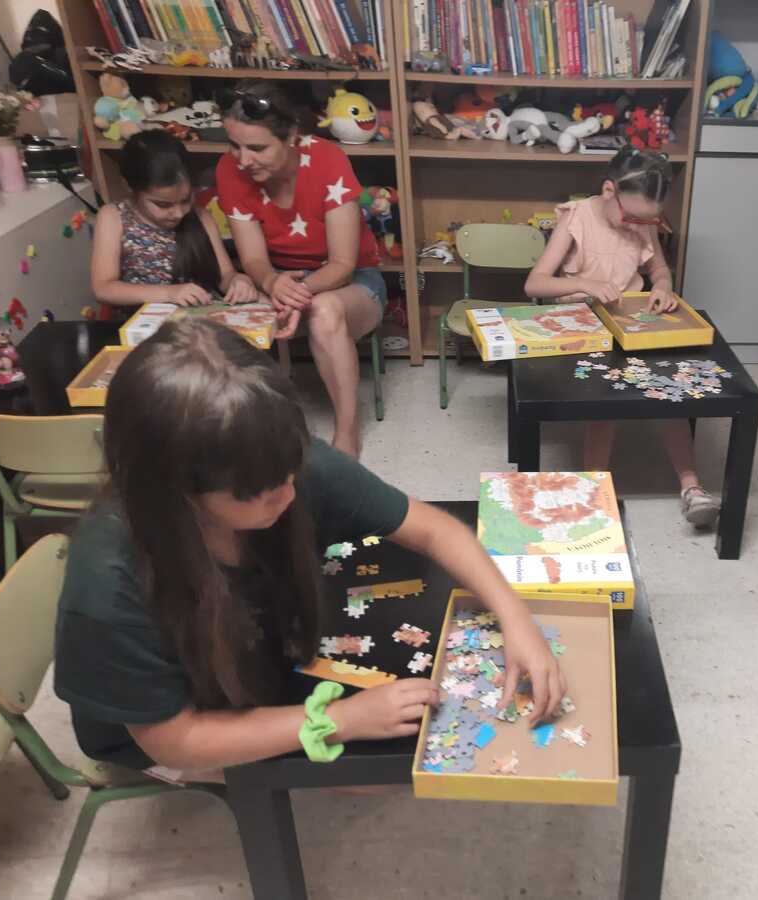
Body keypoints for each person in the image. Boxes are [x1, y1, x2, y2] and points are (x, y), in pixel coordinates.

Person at [54, 318, 565, 781]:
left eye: (290, 473)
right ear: (176, 491)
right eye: (257, 492)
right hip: (167, 729)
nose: (287, 494)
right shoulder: (108, 582)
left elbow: (436, 531)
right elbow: (175, 740)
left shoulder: (278, 463)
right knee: (353, 775)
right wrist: (340, 720)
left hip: (262, 652)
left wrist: (516, 619)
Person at [524, 146, 722, 527]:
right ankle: (593, 491)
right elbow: (535, 283)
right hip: (581, 324)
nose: (637, 225)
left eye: (648, 219)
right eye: (632, 217)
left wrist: (662, 286)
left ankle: (691, 487)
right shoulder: (576, 218)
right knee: (606, 403)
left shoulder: (642, 219)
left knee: (670, 390)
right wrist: (585, 284)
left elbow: (660, 270)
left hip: (629, 322)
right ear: (609, 191)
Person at [217, 80, 385, 459]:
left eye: (257, 148)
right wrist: (271, 281)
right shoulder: (230, 170)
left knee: (325, 311)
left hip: (350, 282)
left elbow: (343, 265)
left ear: (292, 135)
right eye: (234, 146)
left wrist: (297, 294)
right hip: (279, 280)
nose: (243, 160)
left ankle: (347, 431)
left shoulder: (327, 159)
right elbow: (253, 259)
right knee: (229, 317)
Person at [90, 130, 260, 312]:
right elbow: (103, 288)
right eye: (163, 204)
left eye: (186, 200)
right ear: (130, 187)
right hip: (144, 323)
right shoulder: (114, 217)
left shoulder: (201, 216)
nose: (178, 213)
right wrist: (169, 293)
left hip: (200, 320)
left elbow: (225, 274)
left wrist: (238, 280)